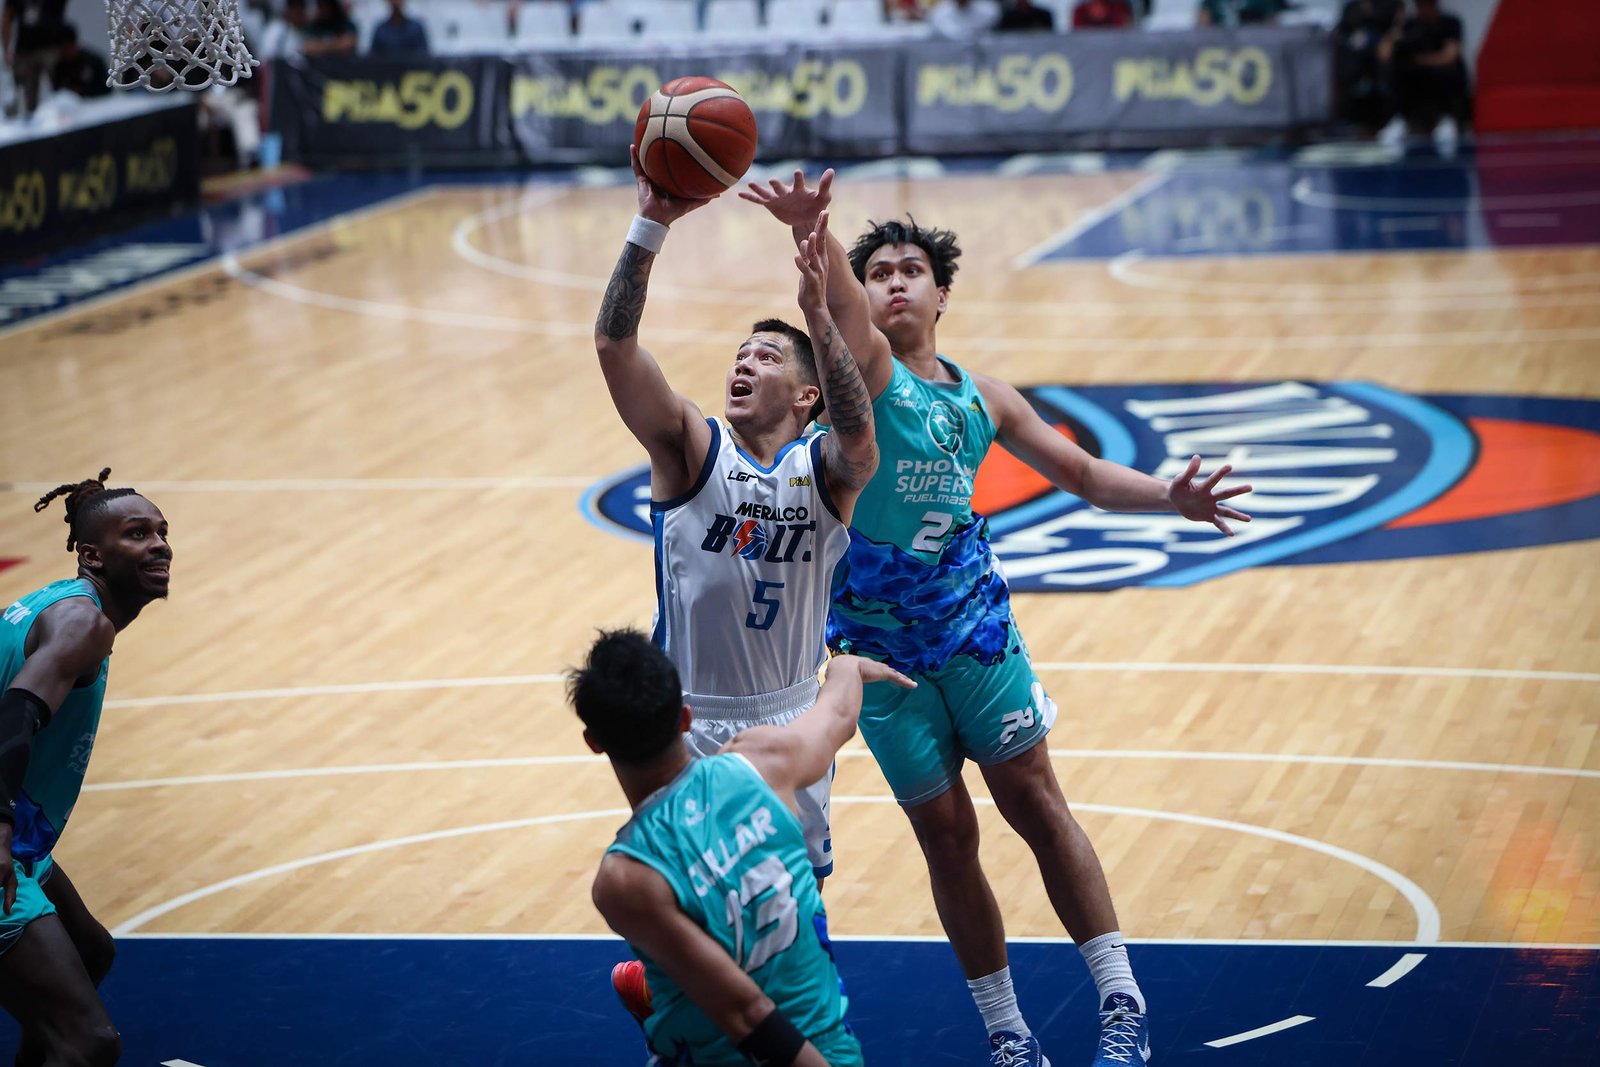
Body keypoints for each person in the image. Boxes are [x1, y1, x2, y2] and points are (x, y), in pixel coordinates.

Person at [743, 171, 1252, 1067]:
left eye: (912, 270)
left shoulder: (989, 398)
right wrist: (815, 235)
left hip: (974, 631)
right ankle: (1010, 1033)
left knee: (1035, 803)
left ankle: (1122, 1000)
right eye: (880, 272)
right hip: (878, 653)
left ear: (942, 293)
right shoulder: (868, 370)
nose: (895, 282)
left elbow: (1087, 475)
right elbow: (832, 304)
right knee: (947, 838)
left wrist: (1170, 495)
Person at [576, 629, 912, 1066]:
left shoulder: (626, 879)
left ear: (594, 742)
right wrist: (846, 667)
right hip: (830, 1050)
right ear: (685, 717)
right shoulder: (764, 761)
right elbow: (838, 715)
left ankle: (664, 998)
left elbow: (746, 1014)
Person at [1, 469, 173, 1067]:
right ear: (93, 554)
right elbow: (19, 711)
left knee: (90, 951)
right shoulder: (83, 625)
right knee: (88, 1044)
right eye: (137, 533)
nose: (159, 544)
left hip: (18, 829)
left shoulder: (56, 605)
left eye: (161, 531)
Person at [1388, 0, 1470, 142]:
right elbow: (1385, 53)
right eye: (1420, 6)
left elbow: (1450, 56)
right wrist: (1397, 27)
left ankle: (1447, 118)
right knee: (1400, 71)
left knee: (1447, 73)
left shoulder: (1450, 23)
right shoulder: (1410, 26)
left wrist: (1420, 61)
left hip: (1443, 82)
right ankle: (1401, 119)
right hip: (1417, 86)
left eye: (1426, 5)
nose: (1423, 10)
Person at [1, 0, 66, 116]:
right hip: (26, 50)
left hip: (51, 46)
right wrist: (6, 51)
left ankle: (67, 116)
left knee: (62, 88)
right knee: (27, 95)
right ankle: (30, 121)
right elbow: (7, 19)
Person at [48, 24, 109, 100]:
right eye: (61, 49)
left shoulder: (93, 61)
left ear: (74, 44)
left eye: (66, 48)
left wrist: (82, 91)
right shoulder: (60, 67)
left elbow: (107, 89)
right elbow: (57, 92)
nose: (65, 52)